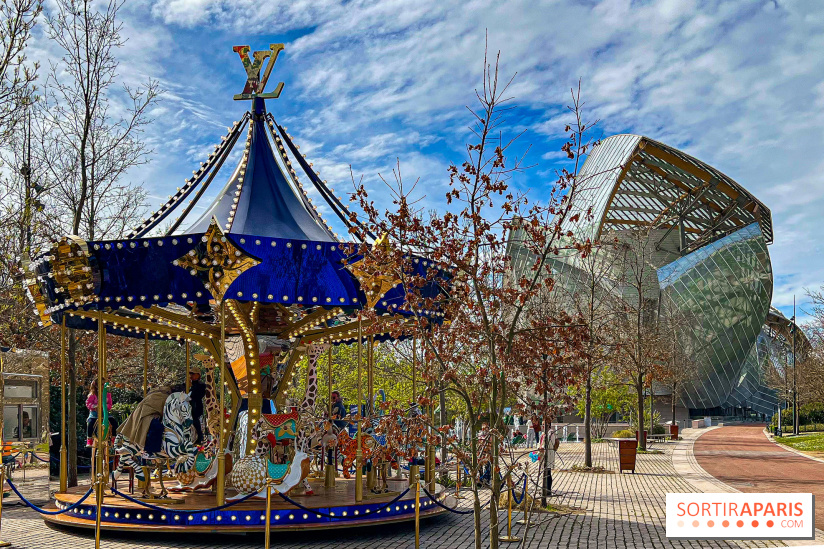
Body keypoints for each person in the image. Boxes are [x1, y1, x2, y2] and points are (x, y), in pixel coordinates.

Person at [86, 382, 112, 447]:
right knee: (90, 423)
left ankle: (112, 439)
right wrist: (95, 406)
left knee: (113, 422)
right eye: (101, 384)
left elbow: (110, 404)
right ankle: (89, 439)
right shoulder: (92, 395)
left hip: (104, 412)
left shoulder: (107, 394)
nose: (103, 386)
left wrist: (104, 406)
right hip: (95, 413)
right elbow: (88, 403)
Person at [188, 367, 206, 445]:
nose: (191, 376)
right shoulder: (187, 384)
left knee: (195, 421)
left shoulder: (201, 385)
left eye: (193, 374)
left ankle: (199, 438)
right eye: (190, 374)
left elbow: (197, 395)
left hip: (195, 406)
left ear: (198, 375)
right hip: (188, 405)